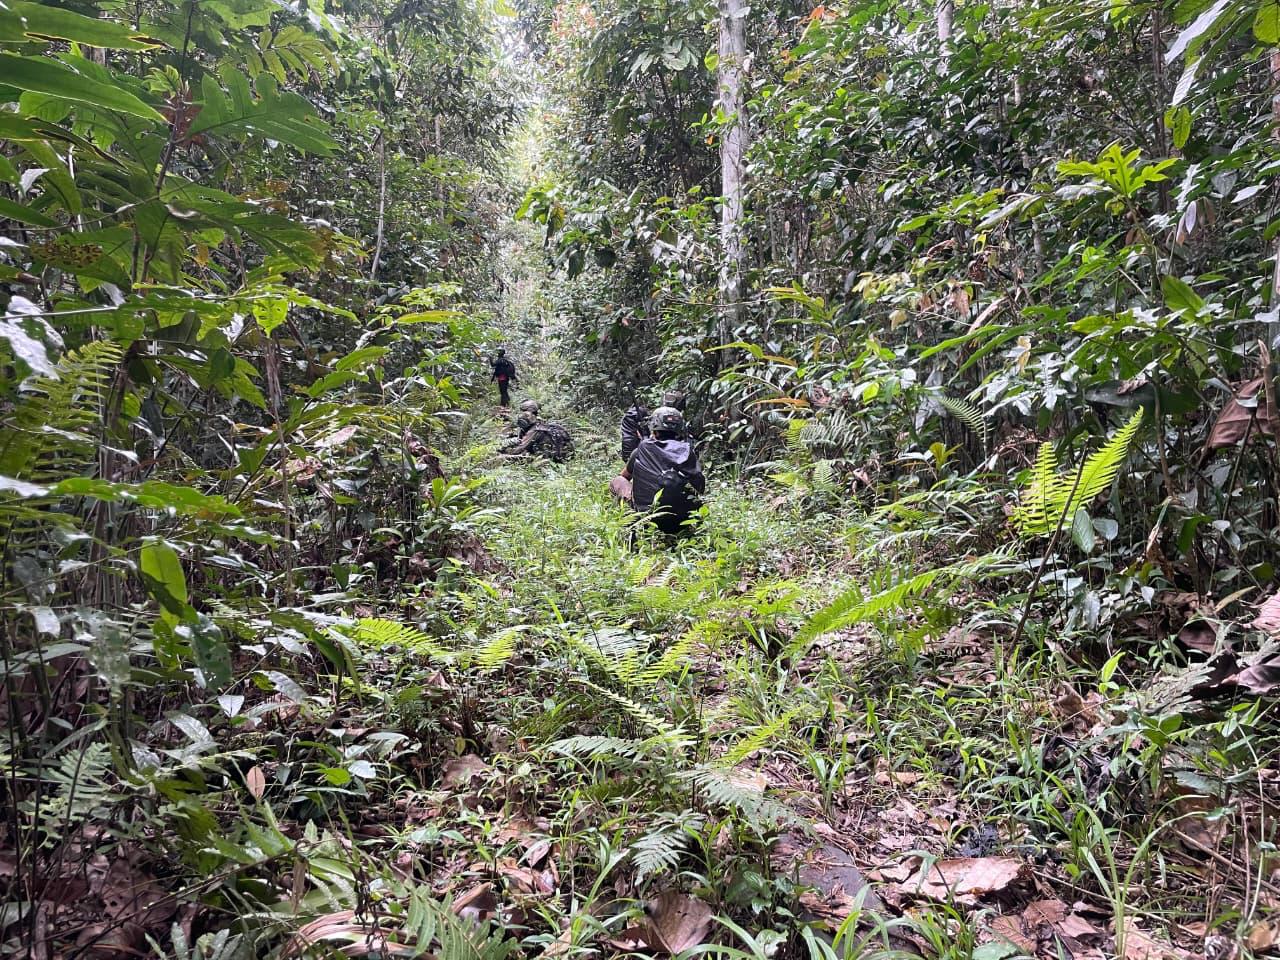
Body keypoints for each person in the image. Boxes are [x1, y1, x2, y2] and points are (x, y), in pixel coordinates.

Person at [613, 406, 705, 536]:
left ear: (654, 428)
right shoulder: (687, 451)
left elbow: (624, 477)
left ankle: (630, 519)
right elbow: (700, 487)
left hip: (647, 517)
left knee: (618, 481)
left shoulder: (642, 448)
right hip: (681, 521)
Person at [501, 407, 574, 463]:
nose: (522, 417)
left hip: (554, 457)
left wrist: (505, 452)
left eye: (526, 415)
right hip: (564, 454)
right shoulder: (540, 424)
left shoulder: (536, 430)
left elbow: (520, 448)